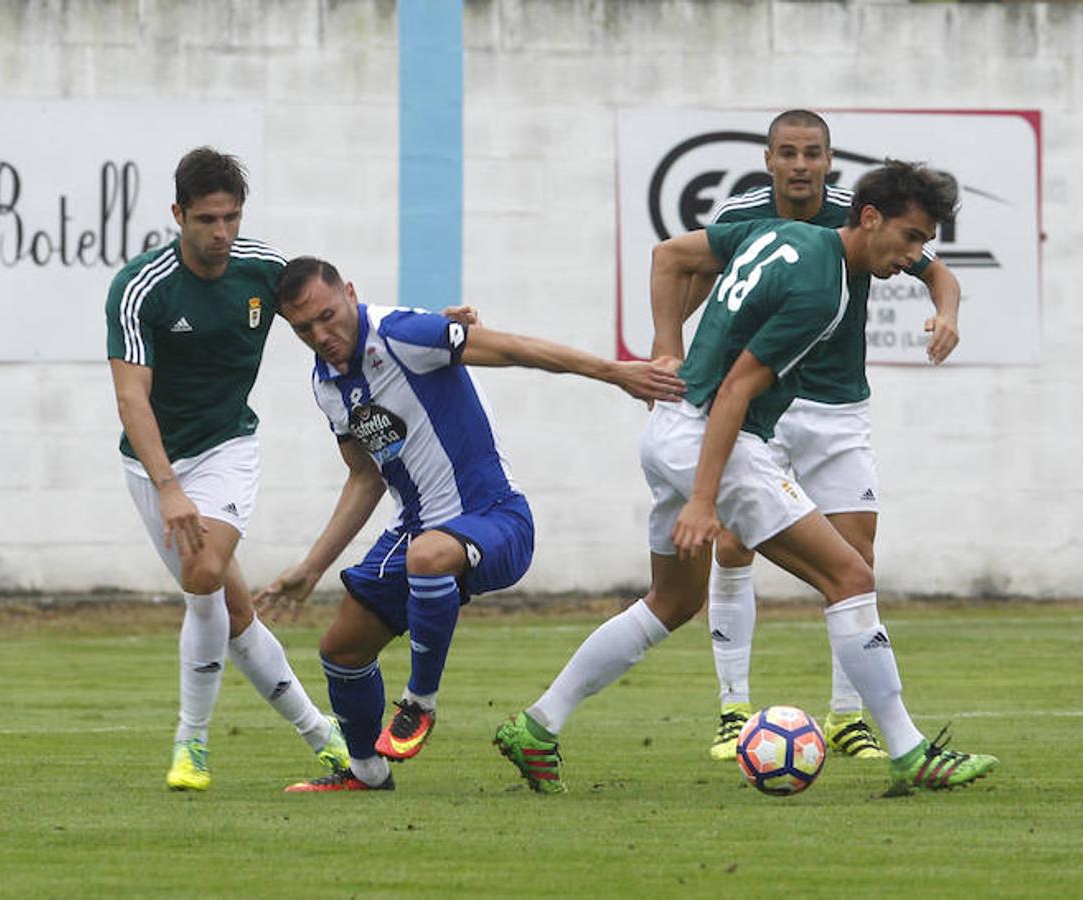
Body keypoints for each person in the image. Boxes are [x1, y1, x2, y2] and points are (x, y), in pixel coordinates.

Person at [495, 162, 998, 796]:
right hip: (711, 437)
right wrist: (706, 501)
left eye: (924, 244)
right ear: (869, 218)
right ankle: (909, 751)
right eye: (911, 237)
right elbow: (736, 389)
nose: (914, 256)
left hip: (669, 428)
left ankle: (537, 726)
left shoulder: (770, 233)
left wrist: (666, 346)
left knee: (673, 602)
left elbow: (672, 257)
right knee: (850, 575)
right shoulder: (824, 291)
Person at [254, 256, 684, 792]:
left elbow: (517, 349)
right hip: (415, 534)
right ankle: (366, 773)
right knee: (341, 650)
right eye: (303, 329)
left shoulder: (404, 332)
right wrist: (311, 567)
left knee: (429, 556)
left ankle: (419, 704)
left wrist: (614, 372)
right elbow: (364, 479)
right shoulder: (326, 384)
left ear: (350, 292)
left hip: (495, 518)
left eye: (327, 316)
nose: (322, 334)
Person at [666, 109, 964, 761]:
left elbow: (936, 271)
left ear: (830, 163)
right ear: (768, 160)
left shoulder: (862, 215)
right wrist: (669, 351)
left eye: (813, 154)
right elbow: (689, 268)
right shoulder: (749, 213)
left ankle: (847, 718)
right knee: (735, 545)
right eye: (788, 153)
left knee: (856, 560)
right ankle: (732, 708)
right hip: (767, 408)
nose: (801, 165)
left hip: (838, 410)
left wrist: (946, 313)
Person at [106, 148, 346, 792]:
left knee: (204, 568)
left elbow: (341, 315)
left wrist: (440, 331)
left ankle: (192, 744)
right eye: (207, 219)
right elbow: (132, 400)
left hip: (228, 447)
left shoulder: (265, 271)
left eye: (231, 218)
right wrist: (169, 488)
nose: (220, 233)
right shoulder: (140, 288)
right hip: (154, 464)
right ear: (178, 213)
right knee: (232, 612)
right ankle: (323, 735)